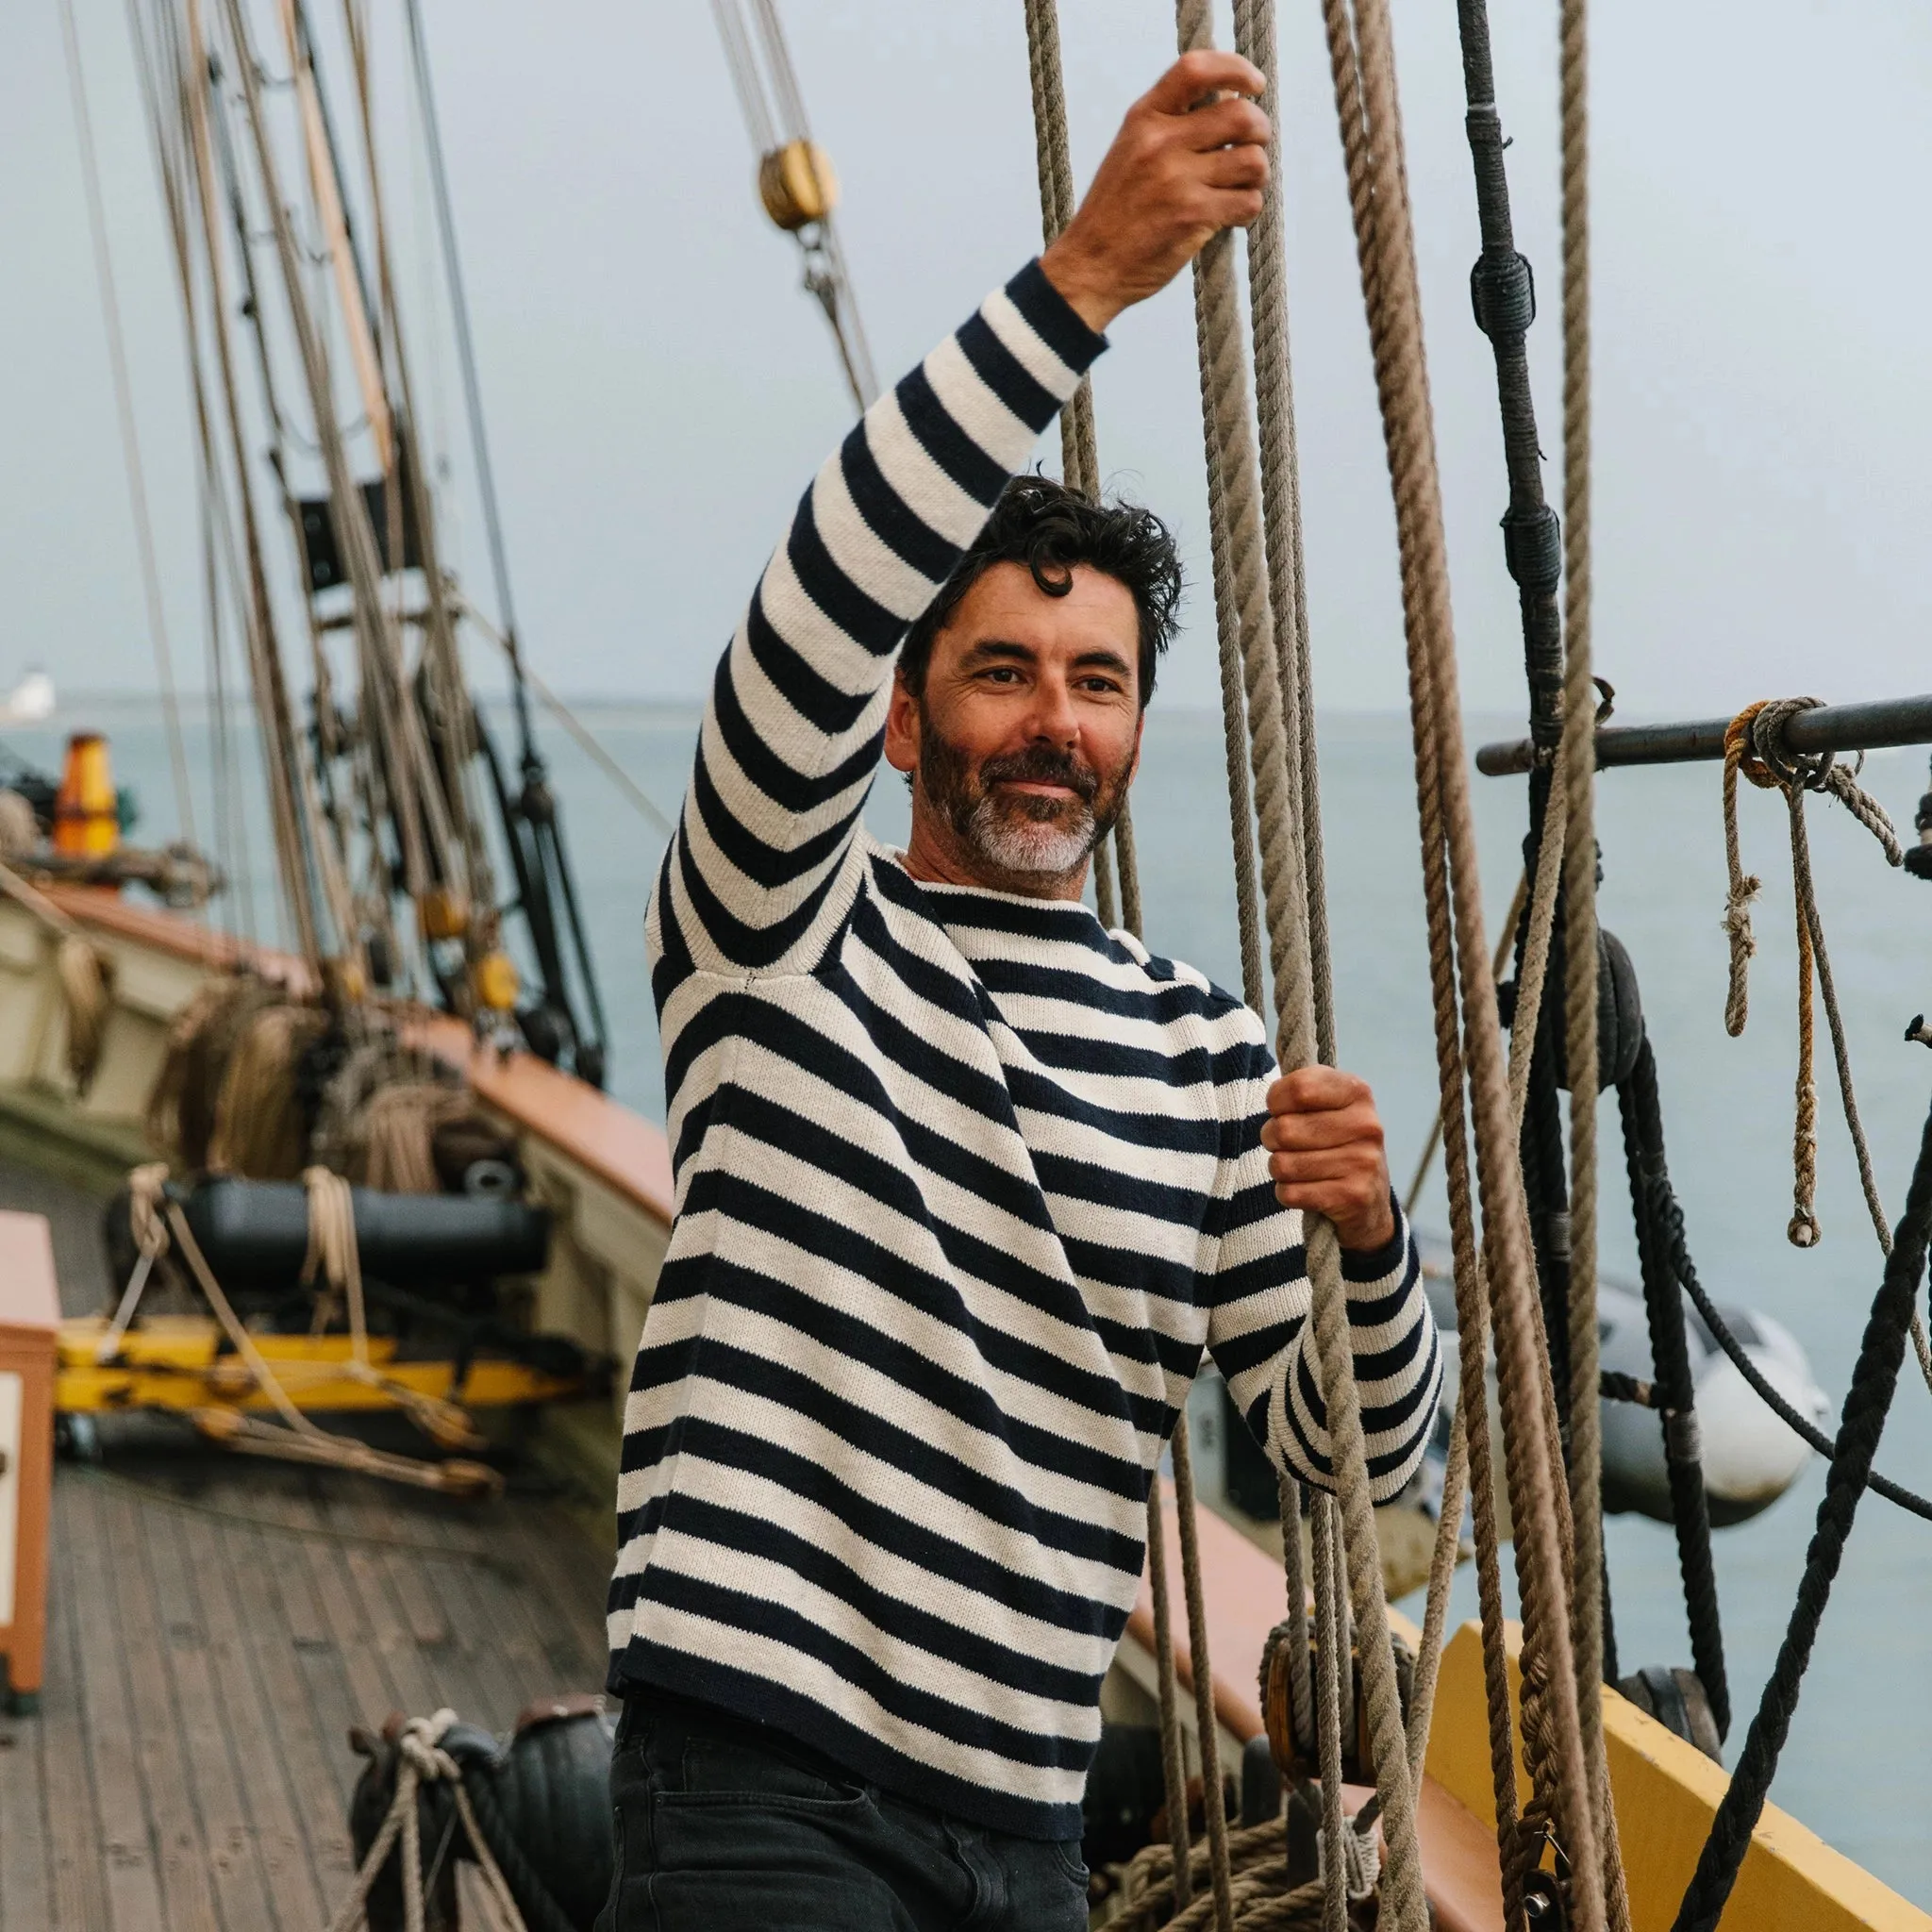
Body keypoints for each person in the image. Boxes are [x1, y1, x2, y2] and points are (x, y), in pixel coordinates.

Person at [598, 48, 1441, 1932]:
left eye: (1098, 678)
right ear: (901, 719)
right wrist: (1079, 287)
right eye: (999, 672)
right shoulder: (779, 931)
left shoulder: (1205, 1051)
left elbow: (1351, 1470)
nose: (1052, 722)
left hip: (1027, 1826)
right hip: (758, 1769)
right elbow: (808, 607)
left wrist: (1371, 1241)